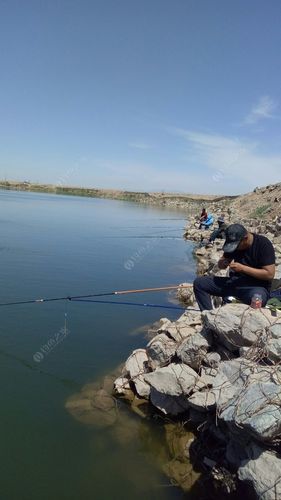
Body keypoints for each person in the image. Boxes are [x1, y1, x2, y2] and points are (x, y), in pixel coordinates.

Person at [193, 224, 275, 311]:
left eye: (236, 246)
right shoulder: (235, 243)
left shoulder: (263, 244)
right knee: (200, 283)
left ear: (245, 238)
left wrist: (243, 268)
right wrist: (222, 263)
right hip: (234, 283)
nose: (235, 248)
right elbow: (221, 263)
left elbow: (269, 274)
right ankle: (207, 315)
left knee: (257, 300)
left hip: (256, 287)